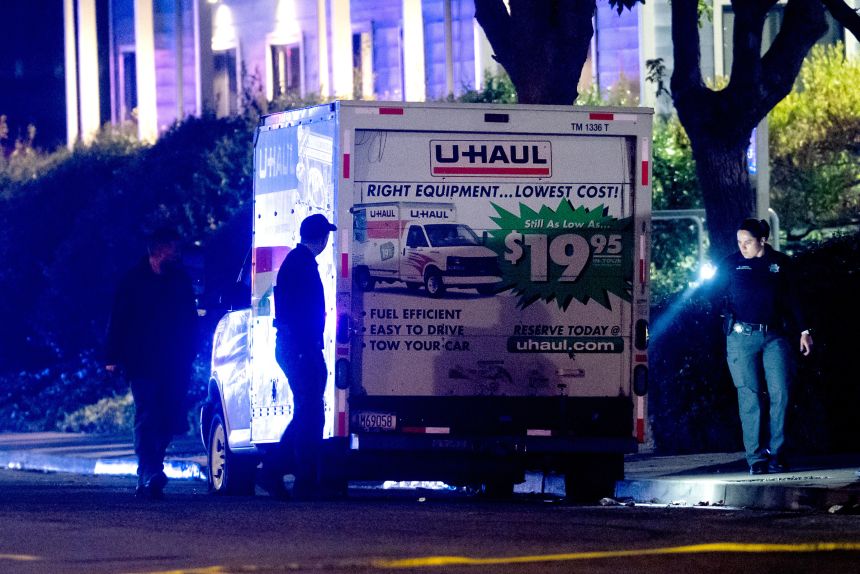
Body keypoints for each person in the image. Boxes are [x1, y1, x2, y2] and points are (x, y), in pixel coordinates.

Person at [712, 218, 814, 475]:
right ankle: (755, 458)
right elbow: (711, 294)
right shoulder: (731, 264)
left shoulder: (780, 263)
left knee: (782, 392)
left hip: (775, 336)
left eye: (747, 242)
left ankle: (778, 454)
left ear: (763, 240)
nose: (742, 247)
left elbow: (794, 298)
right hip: (741, 337)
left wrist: (804, 331)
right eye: (739, 242)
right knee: (750, 395)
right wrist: (723, 318)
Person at [106, 227, 198, 498]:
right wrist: (111, 356)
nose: (177, 254)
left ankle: (151, 468)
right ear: (159, 250)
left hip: (174, 363)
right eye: (173, 248)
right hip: (142, 361)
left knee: (168, 417)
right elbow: (118, 319)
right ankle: (149, 470)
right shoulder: (133, 281)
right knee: (147, 414)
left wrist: (191, 351)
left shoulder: (180, 280)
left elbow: (190, 319)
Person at [272, 213, 337, 499]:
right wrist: (304, 349)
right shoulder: (301, 265)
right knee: (310, 412)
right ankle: (289, 475)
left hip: (299, 347)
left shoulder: (298, 262)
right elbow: (297, 312)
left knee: (308, 411)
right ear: (322, 238)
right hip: (300, 348)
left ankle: (290, 475)